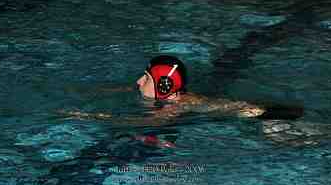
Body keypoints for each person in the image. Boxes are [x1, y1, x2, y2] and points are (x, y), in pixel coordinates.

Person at [60, 55, 306, 147]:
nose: (137, 82)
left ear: (163, 87)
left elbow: (143, 123)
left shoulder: (178, 105)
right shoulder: (170, 95)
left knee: (280, 135)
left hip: (266, 115)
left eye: (145, 79)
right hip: (252, 108)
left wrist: (90, 117)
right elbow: (127, 87)